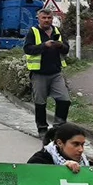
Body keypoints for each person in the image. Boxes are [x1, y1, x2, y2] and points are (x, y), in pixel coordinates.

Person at [23, 8, 70, 144]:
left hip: (55, 72)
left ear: (52, 18)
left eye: (49, 18)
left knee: (64, 100)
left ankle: (58, 128)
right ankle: (42, 129)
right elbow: (28, 49)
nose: (47, 20)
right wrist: (44, 45)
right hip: (39, 73)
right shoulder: (33, 32)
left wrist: (60, 45)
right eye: (44, 18)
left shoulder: (57, 31)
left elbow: (66, 49)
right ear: (38, 18)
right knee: (40, 103)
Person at [27, 123, 93, 174]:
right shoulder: (39, 161)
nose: (81, 150)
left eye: (82, 145)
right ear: (60, 143)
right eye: (76, 144)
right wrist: (63, 170)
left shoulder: (87, 166)